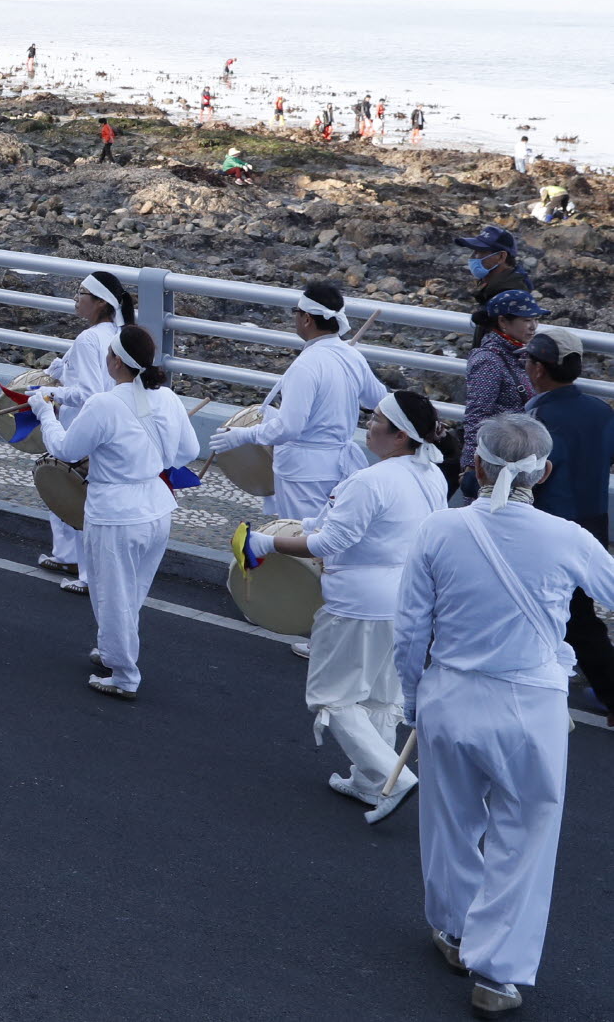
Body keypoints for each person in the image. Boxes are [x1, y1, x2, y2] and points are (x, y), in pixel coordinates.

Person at [394, 413, 614, 1018]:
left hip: (450, 693)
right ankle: (497, 973)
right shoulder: (567, 537)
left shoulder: (439, 529)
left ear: (477, 464)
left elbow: (410, 629)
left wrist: (412, 699)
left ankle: (453, 930)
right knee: (526, 837)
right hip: (531, 704)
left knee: (451, 821)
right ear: (544, 473)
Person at [233, 389, 447, 811]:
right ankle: (370, 783)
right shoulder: (430, 475)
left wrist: (267, 543)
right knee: (380, 697)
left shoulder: (371, 481)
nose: (369, 424)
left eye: (377, 419)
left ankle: (394, 776)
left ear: (401, 435)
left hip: (358, 604)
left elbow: (328, 542)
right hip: (407, 601)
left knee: (332, 695)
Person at [30, 323, 197, 698]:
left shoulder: (104, 404)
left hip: (116, 514)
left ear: (117, 361)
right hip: (157, 508)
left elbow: (66, 450)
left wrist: (45, 413)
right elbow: (189, 451)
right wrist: (150, 461)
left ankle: (123, 674)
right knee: (131, 592)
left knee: (112, 596)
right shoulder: (168, 398)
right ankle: (113, 650)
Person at [209, 282, 383, 531]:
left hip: (304, 474)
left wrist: (243, 435)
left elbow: (289, 428)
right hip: (341, 467)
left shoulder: (306, 365)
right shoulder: (352, 356)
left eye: (296, 313)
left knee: (300, 538)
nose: (295, 319)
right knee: (329, 537)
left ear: (307, 319)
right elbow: (379, 400)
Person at [519, 326, 614, 711]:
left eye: (528, 361)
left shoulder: (538, 417)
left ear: (539, 369)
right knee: (578, 607)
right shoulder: (600, 410)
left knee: (574, 615)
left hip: (552, 526)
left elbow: (525, 472)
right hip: (594, 521)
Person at [35, 271, 138, 588]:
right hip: (110, 420)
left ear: (100, 302)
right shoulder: (117, 333)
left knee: (71, 492)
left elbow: (88, 392)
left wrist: (51, 394)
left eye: (81, 293)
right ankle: (68, 556)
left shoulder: (89, 338)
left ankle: (85, 572)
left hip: (82, 422)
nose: (76, 298)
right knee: (80, 492)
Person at [463, 289, 545, 481]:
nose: (533, 327)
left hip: (520, 454)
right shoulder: (488, 360)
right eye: (527, 320)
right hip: (498, 459)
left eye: (536, 319)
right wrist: (471, 466)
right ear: (503, 322)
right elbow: (477, 414)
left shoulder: (518, 352)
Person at [457, 226, 530, 344]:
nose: (473, 258)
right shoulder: (494, 287)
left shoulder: (510, 295)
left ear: (501, 257)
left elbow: (509, 344)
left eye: (480, 252)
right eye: (474, 251)